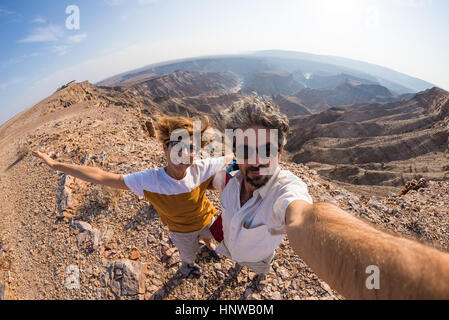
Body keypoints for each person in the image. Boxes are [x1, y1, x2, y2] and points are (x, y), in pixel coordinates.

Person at [211, 96, 449, 299]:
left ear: (280, 151)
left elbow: (304, 218)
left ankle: (259, 275)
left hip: (258, 258)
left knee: (260, 269)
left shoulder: (285, 191)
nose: (255, 160)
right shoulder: (230, 178)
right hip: (231, 250)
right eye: (245, 149)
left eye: (266, 150)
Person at [33, 116, 231, 277]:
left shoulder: (201, 169)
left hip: (207, 220)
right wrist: (55, 165)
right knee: (187, 255)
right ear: (165, 148)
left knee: (212, 238)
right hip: (181, 232)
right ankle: (188, 265)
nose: (184, 154)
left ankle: (208, 245)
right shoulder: (150, 181)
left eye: (190, 149)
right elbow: (101, 176)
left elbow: (237, 160)